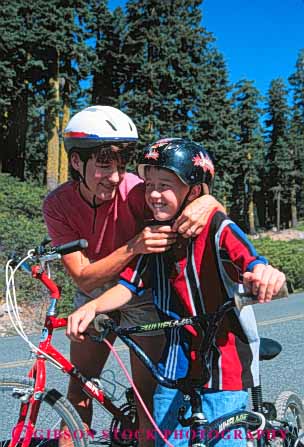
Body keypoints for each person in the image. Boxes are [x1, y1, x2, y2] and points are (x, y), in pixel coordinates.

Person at [66, 137, 286, 447]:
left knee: (221, 440)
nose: (153, 194)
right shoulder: (155, 234)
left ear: (194, 191)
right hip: (174, 362)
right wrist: (92, 308)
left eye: (165, 185)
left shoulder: (216, 227)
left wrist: (265, 273)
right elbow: (128, 287)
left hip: (222, 365)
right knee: (167, 440)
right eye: (149, 184)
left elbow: (252, 261)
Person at [43, 109, 224, 446]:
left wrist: (209, 201)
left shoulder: (138, 190)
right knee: (80, 387)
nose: (113, 177)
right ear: (76, 163)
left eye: (120, 165)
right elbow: (83, 278)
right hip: (94, 293)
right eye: (102, 165)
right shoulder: (58, 205)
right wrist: (134, 245)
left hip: (140, 291)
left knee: (146, 395)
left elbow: (193, 205)